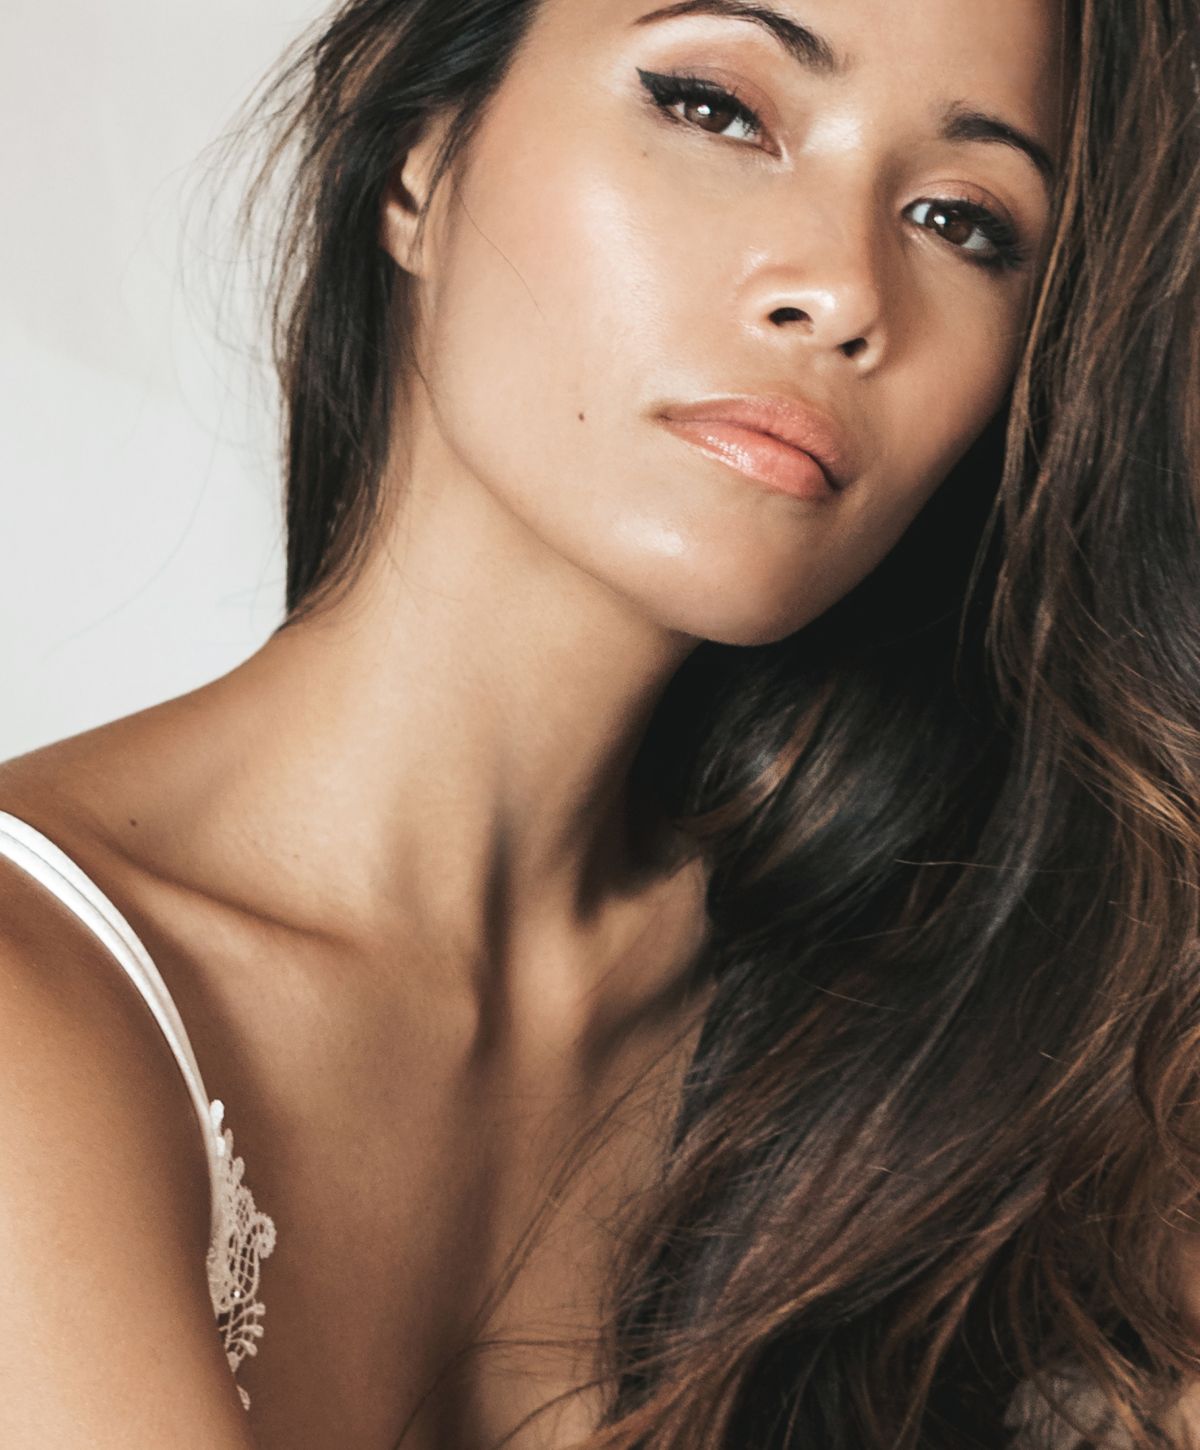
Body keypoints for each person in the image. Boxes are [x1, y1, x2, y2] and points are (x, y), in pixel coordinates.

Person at [1, 0, 1197, 1445]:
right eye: (715, 108)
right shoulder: (38, 1007)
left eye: (962, 219)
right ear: (419, 155)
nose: (841, 288)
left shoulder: (957, 1044)